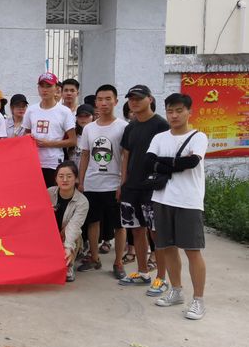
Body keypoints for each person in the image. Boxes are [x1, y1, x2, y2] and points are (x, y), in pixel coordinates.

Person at [147, 93, 209, 319]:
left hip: (188, 201)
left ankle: (198, 300)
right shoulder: (159, 137)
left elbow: (192, 162)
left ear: (189, 112)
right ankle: (176, 291)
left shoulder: (198, 137)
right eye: (170, 111)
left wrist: (163, 163)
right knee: (167, 247)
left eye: (179, 111)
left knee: (192, 250)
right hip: (162, 198)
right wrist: (176, 164)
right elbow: (148, 162)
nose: (174, 115)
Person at [118, 84, 170, 294]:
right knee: (136, 230)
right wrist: (123, 183)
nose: (134, 102)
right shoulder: (130, 127)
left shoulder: (161, 125)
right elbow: (126, 155)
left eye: (138, 98)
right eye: (131, 98)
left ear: (150, 99)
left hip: (153, 188)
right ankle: (142, 272)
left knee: (156, 233)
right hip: (131, 187)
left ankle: (161, 277)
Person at [77, 85, 128, 278]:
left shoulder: (123, 127)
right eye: (100, 99)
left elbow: (126, 157)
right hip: (92, 183)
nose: (104, 103)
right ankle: (94, 257)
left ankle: (118, 262)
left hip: (114, 184)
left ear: (116, 101)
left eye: (108, 99)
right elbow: (85, 155)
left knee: (119, 225)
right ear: (95, 102)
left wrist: (123, 183)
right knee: (93, 222)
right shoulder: (89, 128)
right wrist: (81, 181)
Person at [22, 72, 76, 187]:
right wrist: (27, 138)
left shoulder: (64, 111)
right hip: (34, 162)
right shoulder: (31, 110)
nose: (45, 90)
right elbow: (25, 134)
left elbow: (73, 141)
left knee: (52, 195)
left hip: (54, 163)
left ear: (56, 88)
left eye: (48, 86)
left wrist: (49, 143)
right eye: (42, 86)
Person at [47, 161, 89, 283]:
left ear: (76, 179)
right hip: (49, 234)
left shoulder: (82, 202)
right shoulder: (49, 193)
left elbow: (74, 226)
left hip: (66, 235)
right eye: (61, 176)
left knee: (75, 234)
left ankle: (68, 265)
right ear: (56, 179)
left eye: (69, 176)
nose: (65, 180)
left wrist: (68, 247)